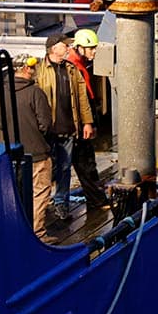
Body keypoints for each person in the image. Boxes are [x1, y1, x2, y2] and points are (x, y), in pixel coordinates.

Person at [35, 32, 93, 221]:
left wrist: (87, 122)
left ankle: (61, 204)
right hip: (46, 130)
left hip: (68, 127)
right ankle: (40, 205)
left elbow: (82, 97)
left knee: (65, 167)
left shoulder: (71, 69)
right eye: (64, 45)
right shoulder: (39, 70)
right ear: (53, 49)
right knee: (45, 169)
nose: (68, 48)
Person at [64, 28, 108, 210]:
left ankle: (95, 199)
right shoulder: (72, 68)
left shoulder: (79, 65)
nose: (94, 52)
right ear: (80, 48)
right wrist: (87, 123)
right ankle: (96, 201)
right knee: (85, 164)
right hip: (77, 126)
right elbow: (79, 99)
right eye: (91, 48)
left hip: (80, 124)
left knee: (83, 164)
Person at [12, 53, 54, 239]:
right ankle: (38, 233)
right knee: (40, 192)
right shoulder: (35, 92)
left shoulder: (3, 92)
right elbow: (45, 123)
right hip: (37, 152)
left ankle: (20, 231)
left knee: (19, 193)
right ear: (26, 69)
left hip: (13, 154)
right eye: (33, 67)